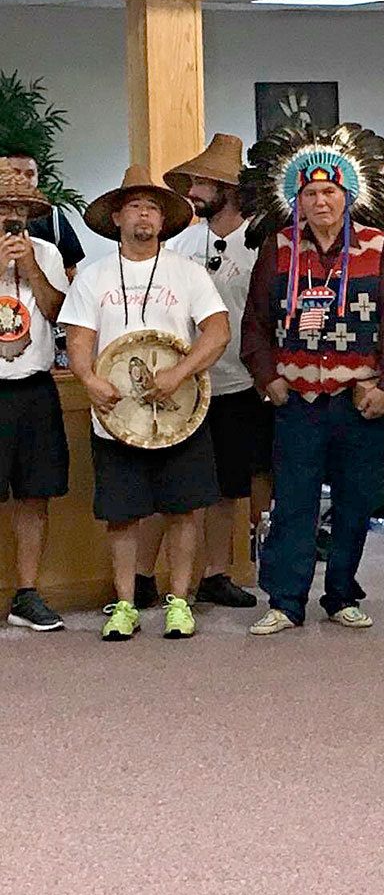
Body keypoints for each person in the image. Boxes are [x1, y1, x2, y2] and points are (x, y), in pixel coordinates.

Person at [239, 123, 384, 635]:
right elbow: (255, 320)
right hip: (297, 400)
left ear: (348, 196)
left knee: (356, 503)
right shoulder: (277, 247)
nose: (320, 201)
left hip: (357, 399)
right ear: (297, 197)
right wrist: (266, 375)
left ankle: (341, 594)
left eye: (330, 191)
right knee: (293, 501)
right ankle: (286, 602)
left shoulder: (377, 248)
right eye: (310, 192)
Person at [59, 167, 229, 641]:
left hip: (182, 413)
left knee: (185, 508)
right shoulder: (92, 277)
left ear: (163, 219)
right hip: (116, 417)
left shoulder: (188, 272)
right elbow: (78, 338)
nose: (144, 215)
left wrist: (181, 371)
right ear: (116, 216)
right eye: (134, 206)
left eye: (152, 207)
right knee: (122, 514)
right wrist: (89, 378)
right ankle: (125, 604)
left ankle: (179, 602)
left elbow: (217, 331)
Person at [149, 133, 266, 609]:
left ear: (227, 189)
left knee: (229, 487)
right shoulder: (182, 245)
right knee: (172, 483)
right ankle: (143, 576)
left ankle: (218, 573)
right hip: (182, 384)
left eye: (201, 183)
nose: (193, 192)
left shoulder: (262, 242)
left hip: (239, 382)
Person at [0, 162, 69, 631]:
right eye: (4, 207)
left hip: (34, 387)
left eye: (20, 209)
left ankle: (27, 593)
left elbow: (58, 311)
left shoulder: (45, 251)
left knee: (34, 496)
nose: (13, 216)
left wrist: (27, 265)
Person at [5, 152, 85, 275]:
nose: (22, 179)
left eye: (30, 174)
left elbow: (70, 269)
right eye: (15, 173)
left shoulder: (53, 216)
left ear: (37, 179)